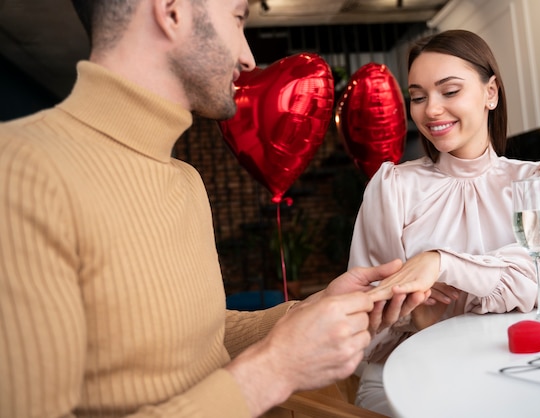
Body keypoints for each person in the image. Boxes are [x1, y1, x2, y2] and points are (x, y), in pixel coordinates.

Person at [0, 1, 431, 417]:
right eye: (238, 18)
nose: (247, 57)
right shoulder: (19, 171)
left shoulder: (185, 179)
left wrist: (308, 312)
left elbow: (202, 336)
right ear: (172, 12)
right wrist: (275, 368)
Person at [350, 29, 540, 415]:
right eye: (418, 97)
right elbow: (369, 309)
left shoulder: (539, 181)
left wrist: (441, 263)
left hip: (519, 367)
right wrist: (414, 315)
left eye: (449, 91)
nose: (431, 110)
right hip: (412, 374)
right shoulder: (393, 188)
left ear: (491, 92)